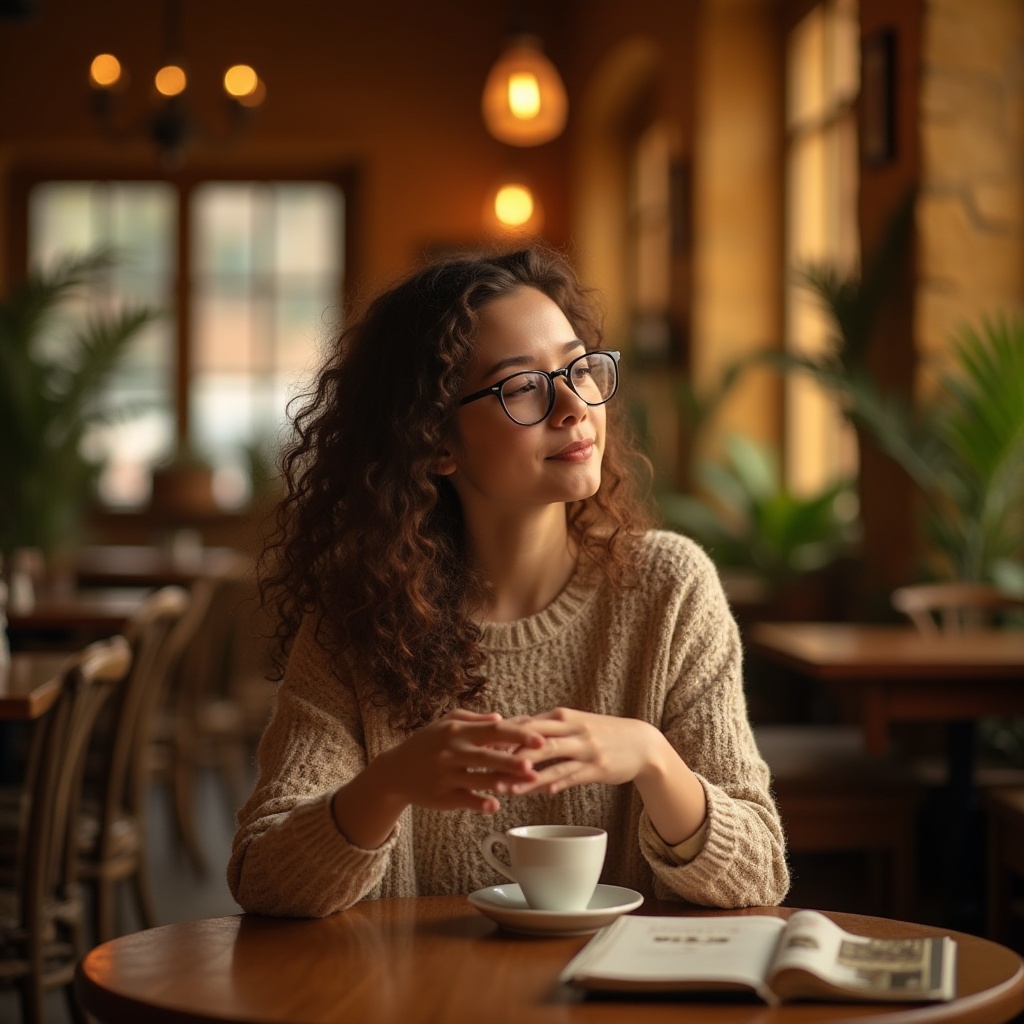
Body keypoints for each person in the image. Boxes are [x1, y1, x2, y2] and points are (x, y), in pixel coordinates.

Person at [228, 245, 789, 918]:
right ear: (435, 442)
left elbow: (759, 876)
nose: (573, 407)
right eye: (522, 386)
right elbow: (264, 878)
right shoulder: (359, 615)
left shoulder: (668, 589)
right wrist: (390, 783)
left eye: (578, 368)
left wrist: (652, 759)